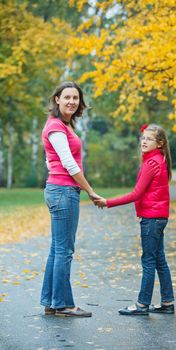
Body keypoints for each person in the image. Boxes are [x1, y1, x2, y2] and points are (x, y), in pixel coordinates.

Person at [94, 124, 174, 315]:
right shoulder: (159, 160)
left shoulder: (151, 163)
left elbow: (136, 194)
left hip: (152, 219)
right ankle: (167, 302)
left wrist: (108, 202)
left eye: (149, 139)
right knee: (159, 260)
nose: (144, 141)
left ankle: (142, 304)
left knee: (148, 261)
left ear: (160, 144)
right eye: (143, 138)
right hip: (159, 217)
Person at [40, 81, 100, 317]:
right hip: (64, 191)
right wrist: (90, 190)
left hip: (59, 189)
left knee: (57, 249)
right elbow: (67, 162)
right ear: (57, 99)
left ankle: (51, 301)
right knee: (64, 250)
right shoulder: (56, 126)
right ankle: (64, 304)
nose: (72, 102)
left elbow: (50, 160)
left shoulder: (63, 125)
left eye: (75, 98)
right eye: (67, 97)